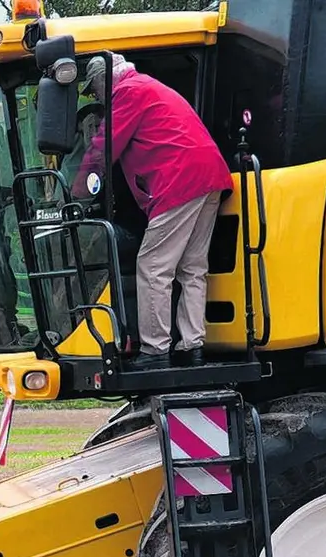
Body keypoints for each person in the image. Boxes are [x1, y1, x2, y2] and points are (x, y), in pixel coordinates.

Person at [74, 53, 235, 369]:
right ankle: (192, 346)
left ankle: (155, 351)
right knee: (192, 268)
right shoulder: (149, 87)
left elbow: (103, 148)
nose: (96, 97)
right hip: (209, 177)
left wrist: (77, 192)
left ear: (103, 80)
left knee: (153, 266)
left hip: (180, 180)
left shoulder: (128, 93)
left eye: (93, 90)